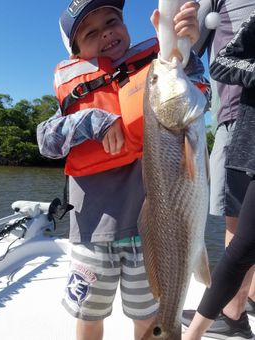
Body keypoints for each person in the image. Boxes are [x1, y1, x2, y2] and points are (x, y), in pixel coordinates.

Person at [37, 1, 203, 339]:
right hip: (91, 235)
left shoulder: (155, 75)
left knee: (147, 317)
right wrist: (93, 120)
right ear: (76, 52)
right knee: (89, 315)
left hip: (151, 236)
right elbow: (46, 141)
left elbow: (195, 94)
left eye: (112, 21)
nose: (106, 33)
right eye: (91, 32)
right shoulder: (77, 96)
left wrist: (186, 47)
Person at [182, 0, 255, 338]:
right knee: (239, 226)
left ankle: (237, 305)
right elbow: (186, 48)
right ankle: (231, 308)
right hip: (240, 119)